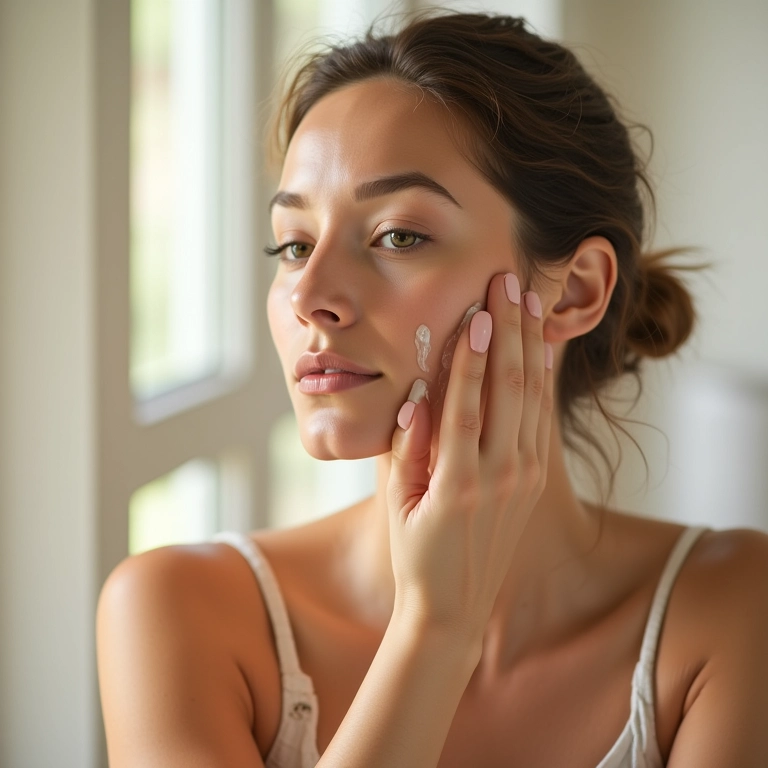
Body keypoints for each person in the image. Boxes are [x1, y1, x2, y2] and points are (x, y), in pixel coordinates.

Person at [96, 10, 768, 767]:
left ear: (576, 290)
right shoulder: (177, 613)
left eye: (398, 236)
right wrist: (435, 628)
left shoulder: (734, 610)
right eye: (294, 244)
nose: (309, 295)